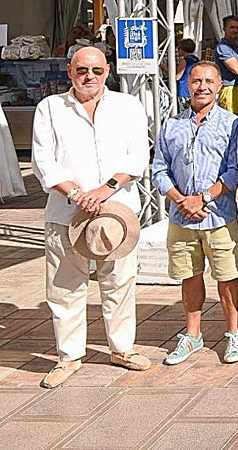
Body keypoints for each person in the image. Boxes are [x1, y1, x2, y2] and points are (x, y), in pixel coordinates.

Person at [30, 46, 152, 389]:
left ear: (107, 70)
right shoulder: (50, 108)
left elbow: (138, 156)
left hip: (117, 214)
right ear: (70, 71)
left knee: (120, 283)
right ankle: (69, 356)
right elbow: (43, 161)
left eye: (97, 70)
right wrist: (76, 194)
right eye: (82, 70)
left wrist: (105, 190)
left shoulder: (128, 106)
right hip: (65, 212)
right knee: (65, 286)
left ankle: (122, 349)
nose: (90, 77)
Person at [151, 62, 238, 366]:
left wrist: (203, 198)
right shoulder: (171, 125)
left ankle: (232, 333)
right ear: (187, 85)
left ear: (220, 86)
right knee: (189, 275)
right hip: (181, 216)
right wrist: (181, 200)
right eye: (196, 81)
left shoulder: (233, 125)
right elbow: (159, 170)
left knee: (226, 275)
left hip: (218, 215)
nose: (202, 86)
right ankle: (193, 334)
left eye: (209, 81)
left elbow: (235, 172)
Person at [215, 15, 238, 115]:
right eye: (232, 27)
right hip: (229, 88)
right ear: (224, 29)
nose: (235, 30)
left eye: (237, 27)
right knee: (230, 121)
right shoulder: (222, 47)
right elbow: (236, 69)